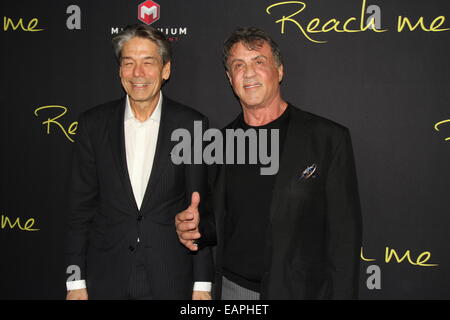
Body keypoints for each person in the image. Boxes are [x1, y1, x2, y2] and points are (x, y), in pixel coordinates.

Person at [175, 27, 362, 299]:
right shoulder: (218, 143)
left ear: (280, 71)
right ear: (230, 78)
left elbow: (344, 239)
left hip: (303, 292)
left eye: (258, 62)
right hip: (233, 290)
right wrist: (194, 228)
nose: (248, 73)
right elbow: (222, 223)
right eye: (238, 65)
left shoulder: (327, 139)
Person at [65, 24, 213, 300]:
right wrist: (75, 283)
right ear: (120, 70)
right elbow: (79, 212)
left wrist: (202, 285)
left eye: (148, 62)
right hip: (105, 276)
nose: (138, 73)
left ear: (165, 70)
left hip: (171, 276)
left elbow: (198, 210)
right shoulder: (93, 125)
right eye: (128, 63)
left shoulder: (192, 125)